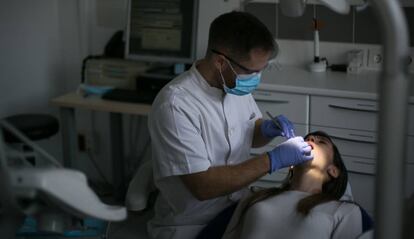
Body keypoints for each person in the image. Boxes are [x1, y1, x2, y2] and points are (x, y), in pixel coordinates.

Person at [147, 11, 313, 239]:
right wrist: (272, 160)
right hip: (192, 224)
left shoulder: (232, 83)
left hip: (237, 210)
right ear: (220, 62)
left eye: (262, 69)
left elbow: (250, 133)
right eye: (252, 71)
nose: (256, 78)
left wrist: (266, 130)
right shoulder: (175, 105)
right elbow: (203, 187)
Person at [222, 131, 373, 239]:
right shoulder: (255, 196)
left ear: (333, 170)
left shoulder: (345, 211)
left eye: (321, 141)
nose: (311, 138)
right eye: (308, 138)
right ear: (291, 164)